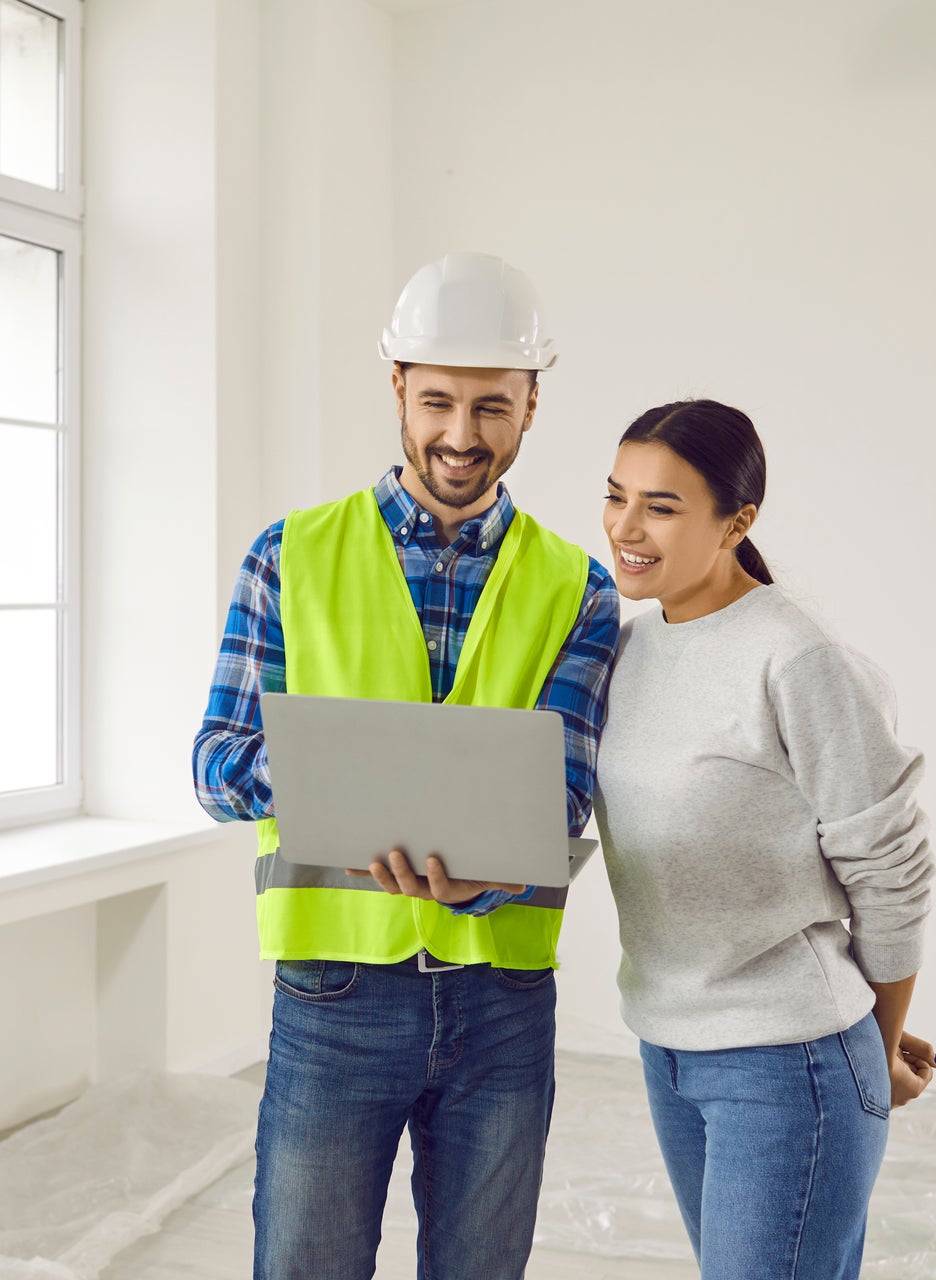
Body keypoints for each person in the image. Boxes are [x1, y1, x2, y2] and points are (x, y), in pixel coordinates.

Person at [192, 252, 619, 1280]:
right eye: (434, 401)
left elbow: (560, 794)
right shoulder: (287, 555)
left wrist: (495, 867)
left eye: (490, 406)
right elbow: (216, 764)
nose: (460, 436)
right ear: (395, 388)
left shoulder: (580, 588)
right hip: (334, 992)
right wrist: (343, 790)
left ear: (530, 403)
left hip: (501, 1003)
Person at [593, 398, 936, 1280]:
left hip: (789, 1068)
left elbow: (892, 872)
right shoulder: (629, 650)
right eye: (617, 495)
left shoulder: (794, 658)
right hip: (668, 1051)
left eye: (662, 507)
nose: (627, 528)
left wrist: (881, 1046)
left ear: (736, 523)